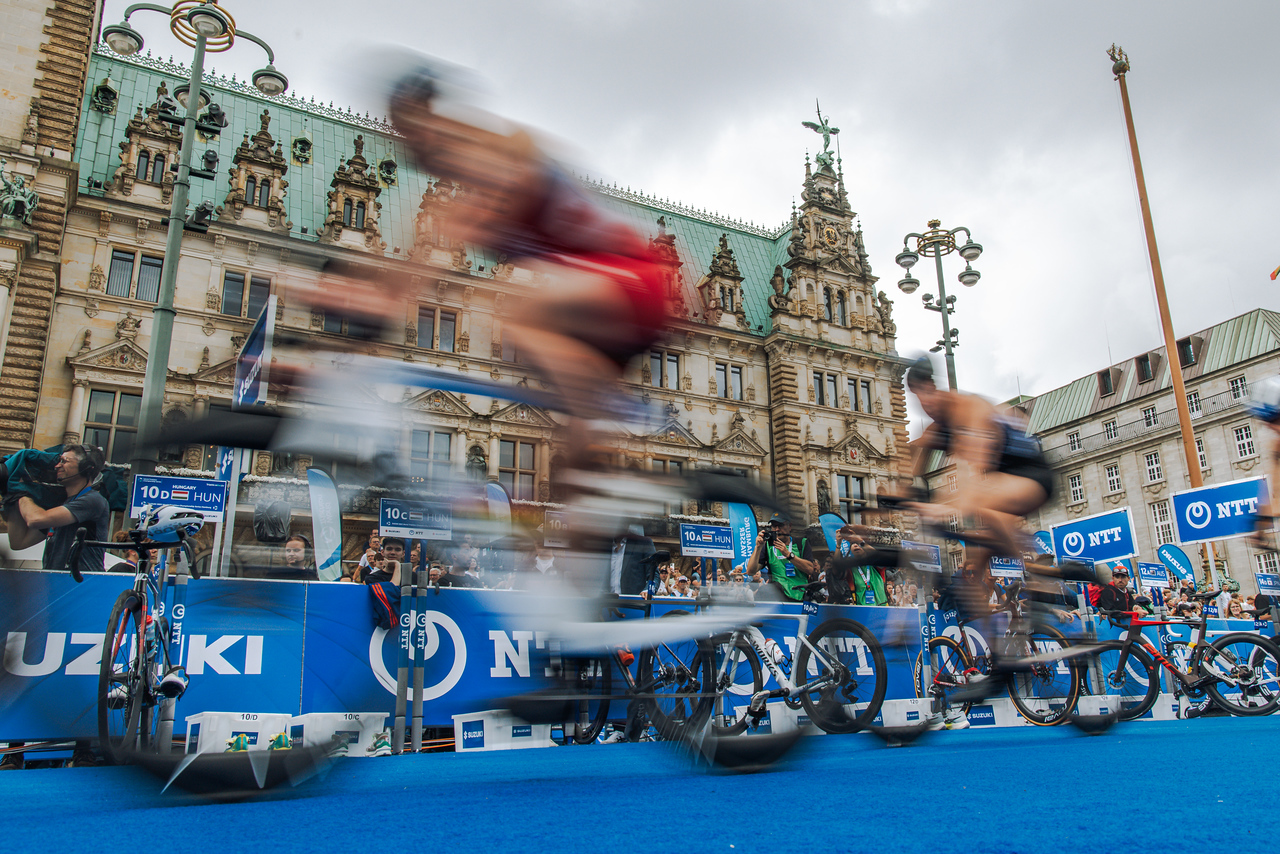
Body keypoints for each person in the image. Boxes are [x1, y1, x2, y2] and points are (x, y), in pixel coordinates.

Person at [900, 356, 1053, 577]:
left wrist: (944, 506)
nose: (926, 407)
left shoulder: (969, 407)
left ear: (933, 388)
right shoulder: (936, 428)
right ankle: (977, 607)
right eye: (919, 401)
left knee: (976, 499)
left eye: (926, 396)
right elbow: (912, 466)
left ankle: (1034, 571)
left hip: (1032, 477)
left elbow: (981, 460)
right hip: (1007, 483)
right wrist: (902, 497)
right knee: (976, 564)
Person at [3, 444, 109, 578]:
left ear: (86, 468)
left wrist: (20, 490)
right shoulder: (60, 505)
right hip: (57, 585)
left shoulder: (92, 500)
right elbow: (18, 541)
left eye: (64, 461)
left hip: (81, 587)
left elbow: (36, 519)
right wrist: (10, 495)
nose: (57, 466)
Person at [744, 513, 816, 602]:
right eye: (774, 526)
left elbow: (810, 569)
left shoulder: (802, 543)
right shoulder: (767, 546)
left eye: (781, 525)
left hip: (800, 595)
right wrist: (758, 547)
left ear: (789, 526)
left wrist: (788, 555)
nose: (777, 529)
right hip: (778, 596)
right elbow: (750, 571)